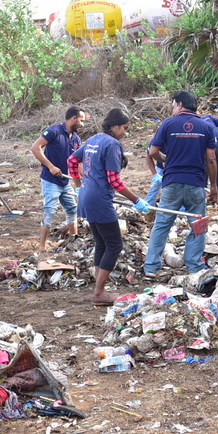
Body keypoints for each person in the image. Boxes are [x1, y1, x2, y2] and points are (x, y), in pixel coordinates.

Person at [68, 108, 150, 306]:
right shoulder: (112, 144)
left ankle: (100, 289)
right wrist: (136, 200)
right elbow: (115, 181)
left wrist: (80, 186)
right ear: (114, 126)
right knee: (114, 245)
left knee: (102, 244)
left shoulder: (94, 139)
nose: (125, 133)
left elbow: (72, 161)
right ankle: (98, 294)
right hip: (99, 200)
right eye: (124, 128)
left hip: (87, 196)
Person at [142, 91, 218, 277]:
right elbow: (211, 159)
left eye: (174, 105)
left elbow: (152, 151)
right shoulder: (206, 127)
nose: (173, 109)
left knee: (162, 225)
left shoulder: (168, 124)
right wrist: (214, 186)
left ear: (180, 104)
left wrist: (166, 160)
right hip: (195, 184)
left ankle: (151, 267)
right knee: (198, 226)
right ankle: (194, 267)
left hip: (172, 183)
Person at [30, 106, 85, 251]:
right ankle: (42, 247)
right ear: (73, 118)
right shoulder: (54, 131)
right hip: (50, 180)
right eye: (81, 120)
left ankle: (74, 242)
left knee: (72, 209)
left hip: (65, 180)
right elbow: (35, 148)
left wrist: (87, 176)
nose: (82, 124)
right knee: (50, 211)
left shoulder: (76, 139)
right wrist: (50, 166)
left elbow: (77, 163)